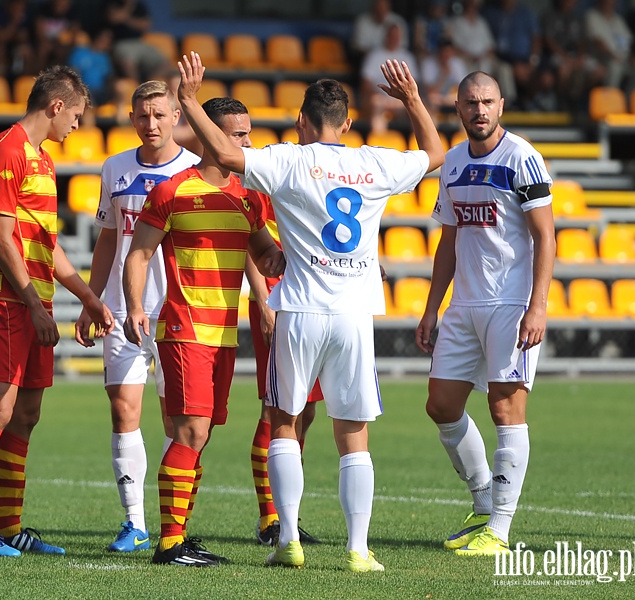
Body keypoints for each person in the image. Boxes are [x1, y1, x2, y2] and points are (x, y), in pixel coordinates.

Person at [177, 52, 445, 571]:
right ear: (348, 123)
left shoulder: (288, 160)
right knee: (353, 432)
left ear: (301, 121)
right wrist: (411, 99)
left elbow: (228, 159)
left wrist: (190, 100)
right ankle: (359, 549)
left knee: (283, 422)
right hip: (353, 313)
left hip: (298, 309)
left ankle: (287, 542)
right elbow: (435, 152)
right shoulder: (374, 161)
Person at [123, 96, 284, 567]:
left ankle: (180, 536)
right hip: (184, 327)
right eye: (238, 135)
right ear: (212, 135)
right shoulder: (173, 191)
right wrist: (135, 306)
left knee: (202, 433)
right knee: (189, 430)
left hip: (225, 335)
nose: (247, 142)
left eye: (247, 133)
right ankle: (170, 543)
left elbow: (266, 253)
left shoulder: (249, 195)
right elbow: (139, 254)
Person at [0, 65, 114, 557]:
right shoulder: (6, 150)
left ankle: (9, 527)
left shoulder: (42, 161)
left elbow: (47, 246)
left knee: (26, 414)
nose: (78, 126)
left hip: (34, 300)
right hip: (7, 301)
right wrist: (33, 304)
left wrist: (88, 297)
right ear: (55, 107)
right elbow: (2, 239)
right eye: (76, 116)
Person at [415, 71, 555, 557]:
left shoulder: (523, 158)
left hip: (511, 305)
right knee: (441, 406)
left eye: (488, 101)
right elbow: (448, 242)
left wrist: (537, 306)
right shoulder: (452, 163)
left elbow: (546, 237)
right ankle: (481, 503)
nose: (480, 110)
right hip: (464, 305)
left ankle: (499, 527)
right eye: (471, 102)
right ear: (458, 108)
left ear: (501, 105)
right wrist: (432, 309)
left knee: (504, 408)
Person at [74, 79, 199, 553]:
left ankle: (174, 524)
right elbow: (109, 238)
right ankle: (135, 523)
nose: (151, 124)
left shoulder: (192, 170)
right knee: (123, 410)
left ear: (175, 118)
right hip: (121, 308)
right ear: (131, 119)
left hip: (176, 310)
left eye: (159, 115)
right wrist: (92, 298)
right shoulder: (115, 168)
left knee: (176, 423)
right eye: (142, 116)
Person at [244, 199, 323, 548]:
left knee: (306, 410)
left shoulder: (323, 173)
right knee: (277, 409)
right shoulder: (273, 176)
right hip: (277, 301)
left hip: (316, 303)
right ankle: (270, 520)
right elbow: (251, 236)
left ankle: (288, 514)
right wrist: (263, 302)